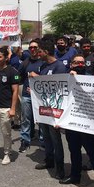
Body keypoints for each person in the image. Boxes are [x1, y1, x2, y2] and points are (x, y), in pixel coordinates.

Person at [60, 53, 94, 187]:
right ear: (71, 64)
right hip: (71, 122)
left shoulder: (91, 77)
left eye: (82, 63)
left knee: (92, 152)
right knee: (74, 151)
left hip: (86, 123)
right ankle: (75, 176)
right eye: (76, 63)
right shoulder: (64, 77)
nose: (79, 65)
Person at [32, 38, 68, 179]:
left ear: (46, 51)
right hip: (44, 110)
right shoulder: (42, 66)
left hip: (55, 111)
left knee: (56, 140)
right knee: (46, 137)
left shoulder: (59, 67)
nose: (37, 54)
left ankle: (60, 168)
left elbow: (61, 90)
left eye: (40, 51)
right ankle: (49, 160)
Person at [17, 40, 43, 153]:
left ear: (39, 49)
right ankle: (25, 140)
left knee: (42, 120)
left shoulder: (43, 62)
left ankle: (43, 141)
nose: (33, 49)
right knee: (26, 119)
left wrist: (37, 77)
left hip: (41, 97)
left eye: (35, 47)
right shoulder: (25, 63)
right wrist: (19, 83)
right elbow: (18, 77)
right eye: (31, 48)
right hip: (27, 96)